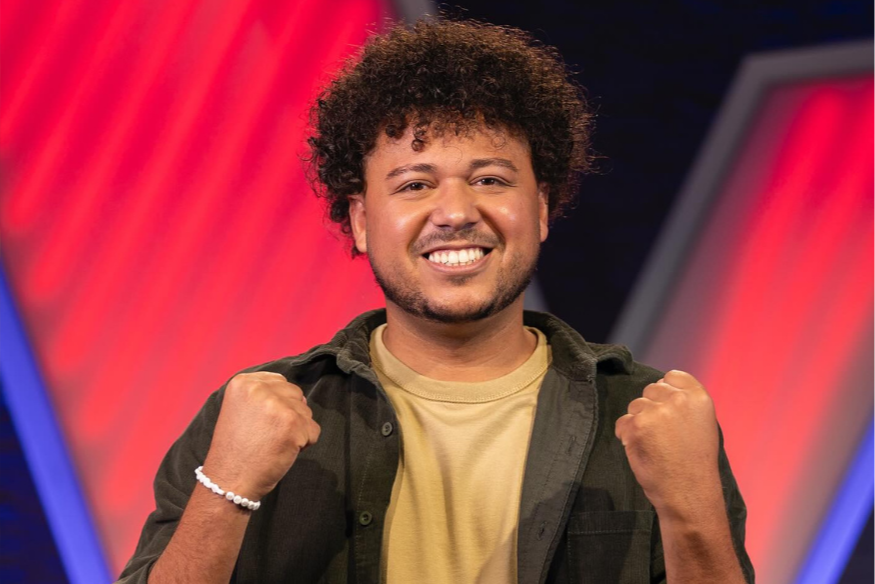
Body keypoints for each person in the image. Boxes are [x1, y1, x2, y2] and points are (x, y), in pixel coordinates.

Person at [118, 18, 754, 584]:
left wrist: (691, 513)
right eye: (415, 185)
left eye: (490, 179)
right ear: (361, 221)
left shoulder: (649, 415)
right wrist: (225, 488)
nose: (454, 212)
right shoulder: (249, 414)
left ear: (539, 209)